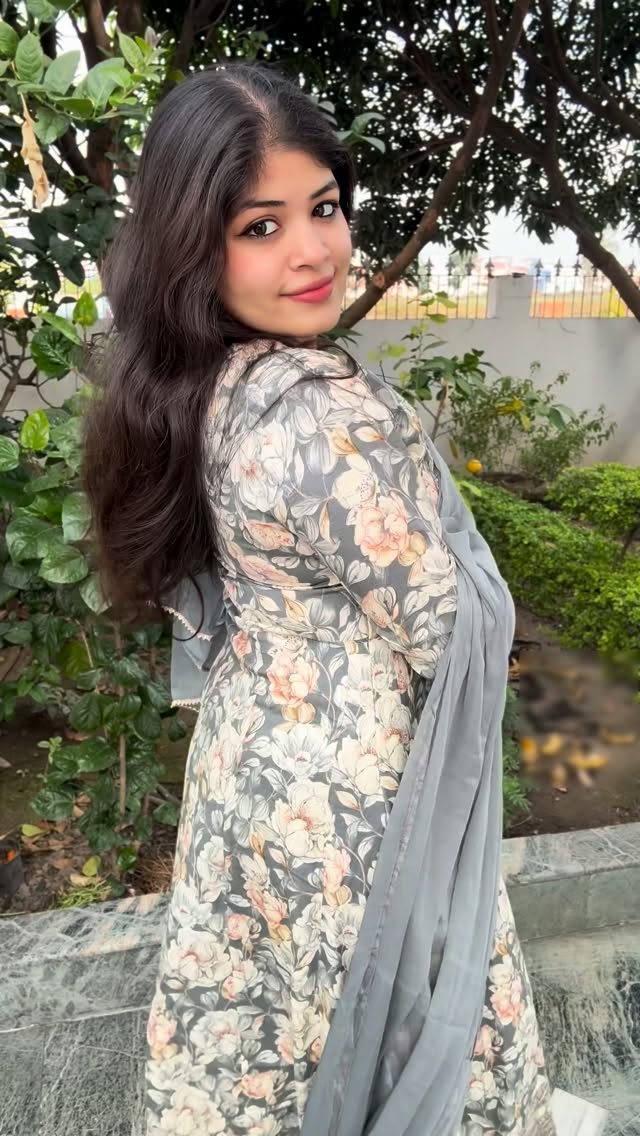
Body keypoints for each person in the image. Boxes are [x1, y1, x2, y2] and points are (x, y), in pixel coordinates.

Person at [83, 61, 556, 1136]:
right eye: (261, 226)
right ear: (192, 245)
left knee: (278, 1042)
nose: (313, 250)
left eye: (324, 207)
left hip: (251, 775)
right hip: (357, 806)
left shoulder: (201, 385)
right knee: (402, 1045)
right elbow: (448, 623)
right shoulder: (322, 410)